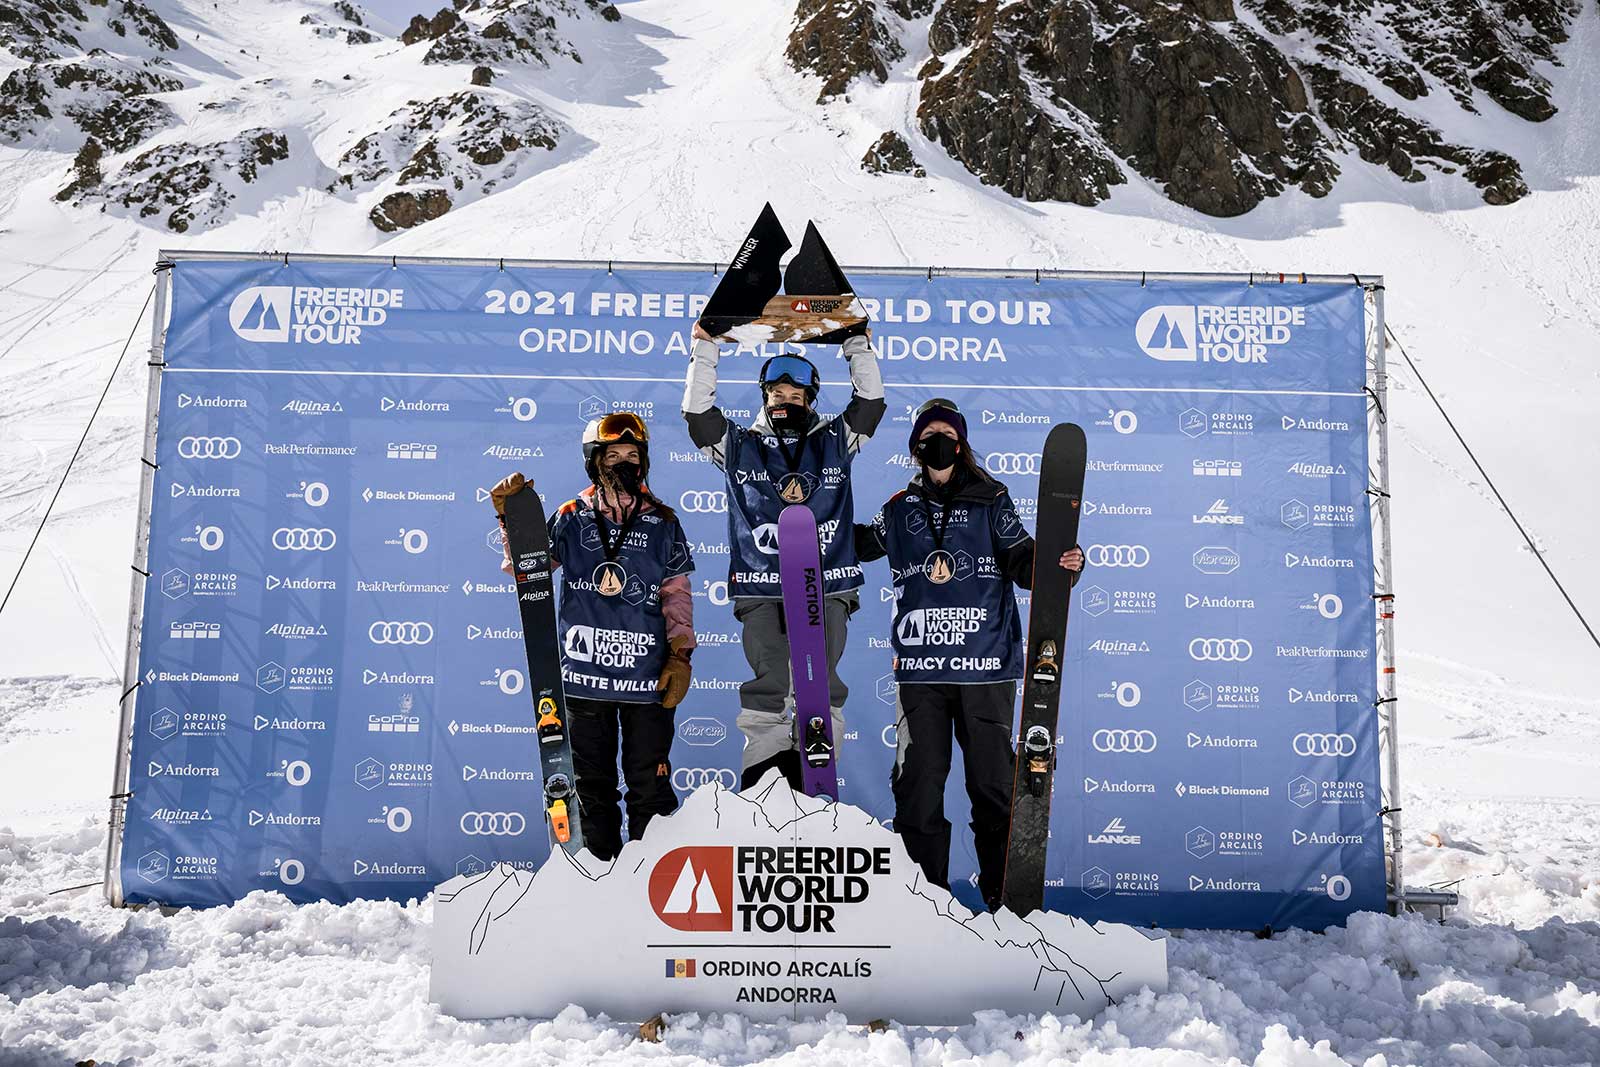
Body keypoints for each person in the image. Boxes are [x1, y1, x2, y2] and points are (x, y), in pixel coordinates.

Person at [855, 399, 1084, 910]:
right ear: (916, 446)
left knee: (993, 790)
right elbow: (859, 544)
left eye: (946, 432)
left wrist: (1059, 564)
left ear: (961, 443)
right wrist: (804, 528)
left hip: (986, 669)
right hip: (922, 674)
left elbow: (1024, 561)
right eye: (927, 433)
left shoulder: (991, 499)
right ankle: (924, 905)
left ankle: (1007, 906)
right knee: (917, 790)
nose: (936, 440)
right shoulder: (898, 508)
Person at [682, 322, 886, 790]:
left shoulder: (835, 441)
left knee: (820, 687)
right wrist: (705, 346)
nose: (785, 401)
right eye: (777, 393)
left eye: (795, 396)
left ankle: (818, 787)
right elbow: (697, 413)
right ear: (763, 397)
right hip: (762, 586)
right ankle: (763, 787)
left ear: (811, 400)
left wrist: (855, 341)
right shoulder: (739, 446)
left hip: (828, 584)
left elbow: (870, 404)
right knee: (770, 685)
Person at [490, 412, 695, 861]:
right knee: (591, 790)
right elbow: (531, 570)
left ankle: (650, 884)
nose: (624, 461)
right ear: (594, 460)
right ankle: (598, 883)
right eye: (613, 454)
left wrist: (681, 656)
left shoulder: (664, 521)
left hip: (646, 682)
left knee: (650, 788)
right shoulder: (570, 516)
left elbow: (676, 595)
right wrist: (512, 523)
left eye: (633, 454)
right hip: (584, 681)